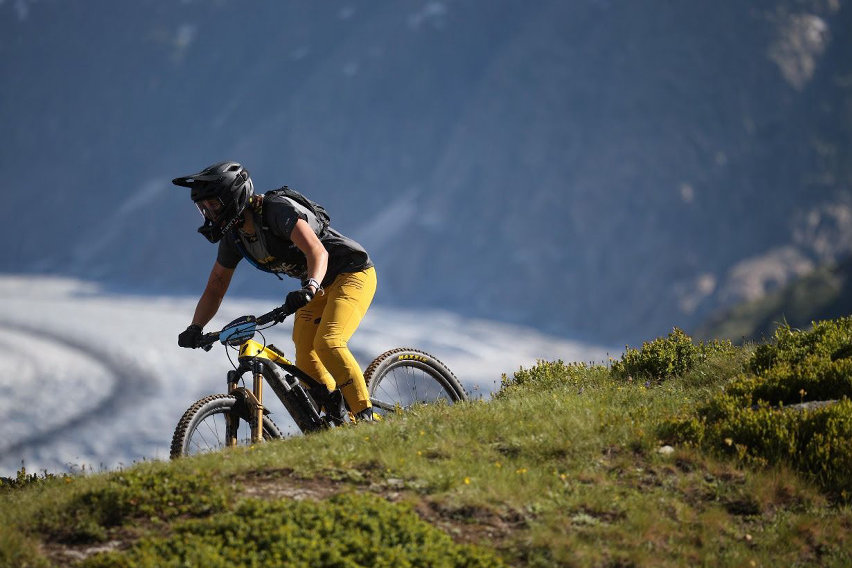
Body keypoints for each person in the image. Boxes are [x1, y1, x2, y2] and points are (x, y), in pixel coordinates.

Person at [173, 161, 377, 423]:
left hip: (351, 272)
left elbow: (317, 252)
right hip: (317, 286)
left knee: (328, 342)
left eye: (213, 205)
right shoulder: (234, 237)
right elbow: (216, 286)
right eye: (203, 208)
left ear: (232, 198)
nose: (208, 213)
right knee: (305, 354)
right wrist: (195, 327)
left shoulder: (276, 211)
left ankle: (365, 417)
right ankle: (335, 412)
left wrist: (311, 286)